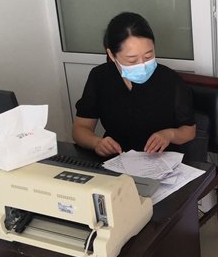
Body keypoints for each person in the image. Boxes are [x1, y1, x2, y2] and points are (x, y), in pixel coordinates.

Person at [73, 12, 196, 157]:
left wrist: (170, 134)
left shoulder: (170, 80)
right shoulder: (100, 77)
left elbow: (189, 131)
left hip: (162, 160)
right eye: (132, 60)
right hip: (117, 159)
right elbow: (80, 128)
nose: (142, 65)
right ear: (111, 55)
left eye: (148, 56)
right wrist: (96, 143)